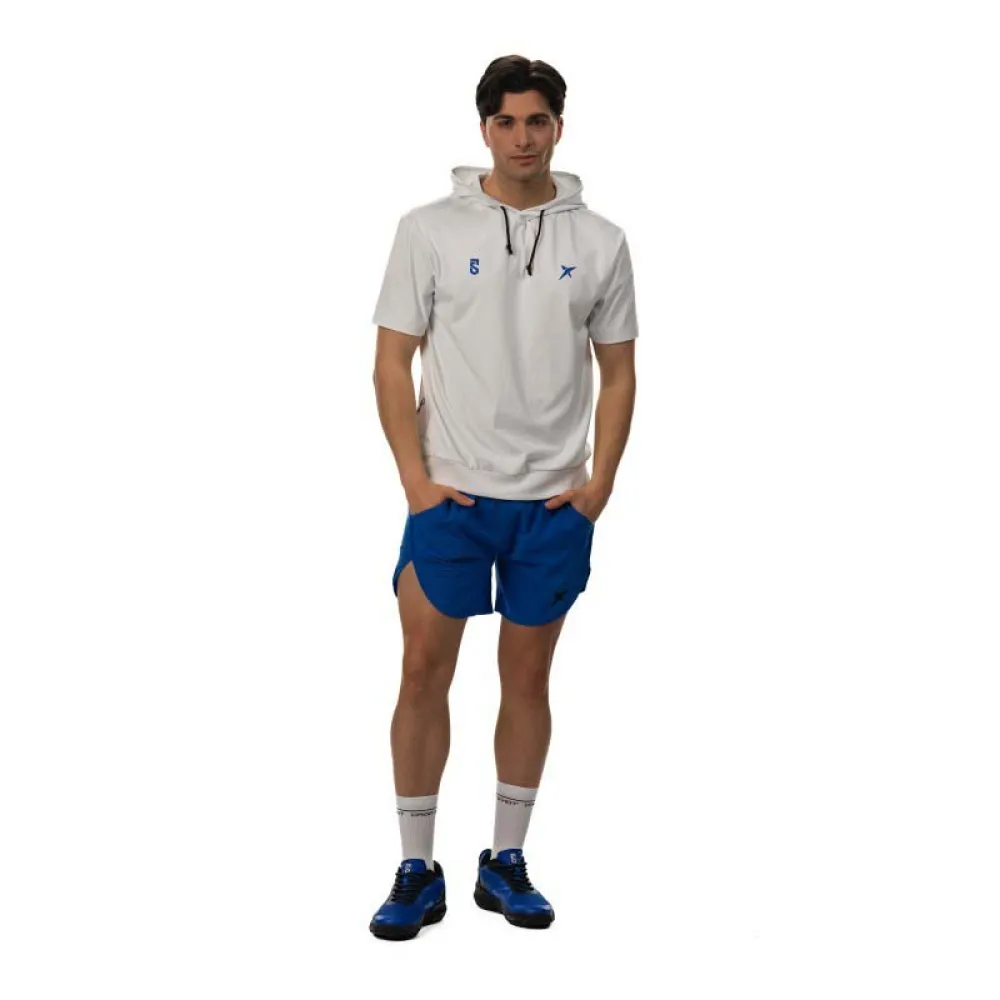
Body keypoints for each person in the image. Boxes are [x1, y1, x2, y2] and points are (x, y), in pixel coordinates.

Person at [368, 55, 638, 941]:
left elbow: (619, 371)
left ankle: (506, 861)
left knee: (527, 679)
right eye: (507, 122)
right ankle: (417, 867)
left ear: (559, 125)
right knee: (421, 671)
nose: (522, 138)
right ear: (484, 128)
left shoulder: (602, 242)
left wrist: (599, 486)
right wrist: (416, 484)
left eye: (537, 121)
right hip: (451, 496)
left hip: (552, 503)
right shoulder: (428, 229)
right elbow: (391, 360)